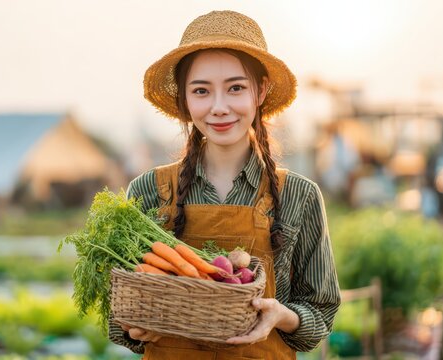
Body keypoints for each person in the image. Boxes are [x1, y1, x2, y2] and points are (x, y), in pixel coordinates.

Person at [109, 10, 340, 360]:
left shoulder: (299, 195)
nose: (219, 107)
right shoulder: (147, 191)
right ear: (185, 101)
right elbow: (119, 319)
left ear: (260, 91)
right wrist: (135, 327)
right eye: (201, 90)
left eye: (235, 88)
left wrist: (282, 315)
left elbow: (320, 313)